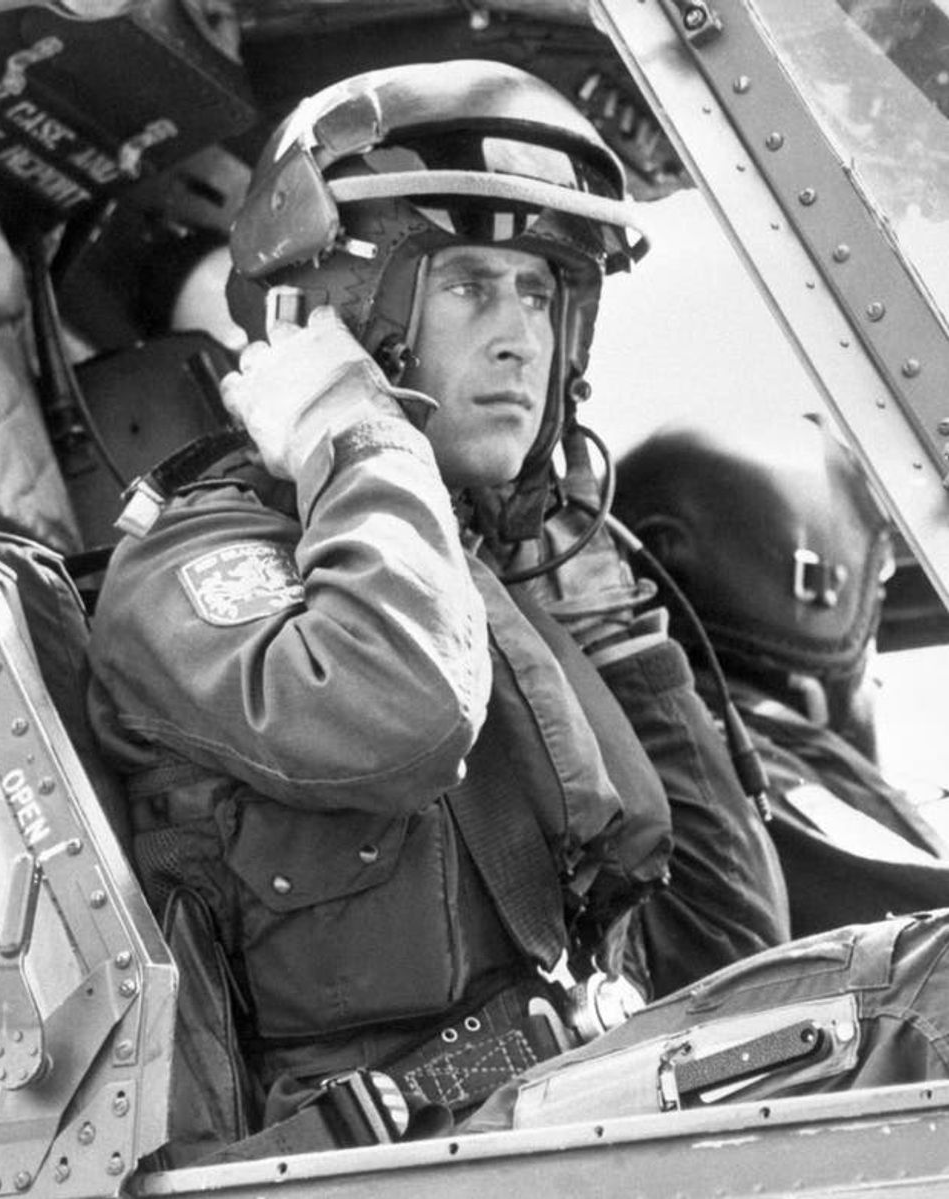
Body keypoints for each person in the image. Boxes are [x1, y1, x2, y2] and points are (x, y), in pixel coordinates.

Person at [86, 59, 792, 1158]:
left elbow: (729, 947)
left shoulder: (481, 577)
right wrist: (355, 427)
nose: (521, 338)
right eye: (469, 285)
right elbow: (397, 718)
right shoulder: (198, 558)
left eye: (541, 294)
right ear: (331, 312)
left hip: (566, 1130)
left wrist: (598, 613)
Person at [611, 414, 949, 938]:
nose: (879, 609)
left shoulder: (695, 744)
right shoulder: (737, 764)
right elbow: (920, 918)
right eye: (877, 577)